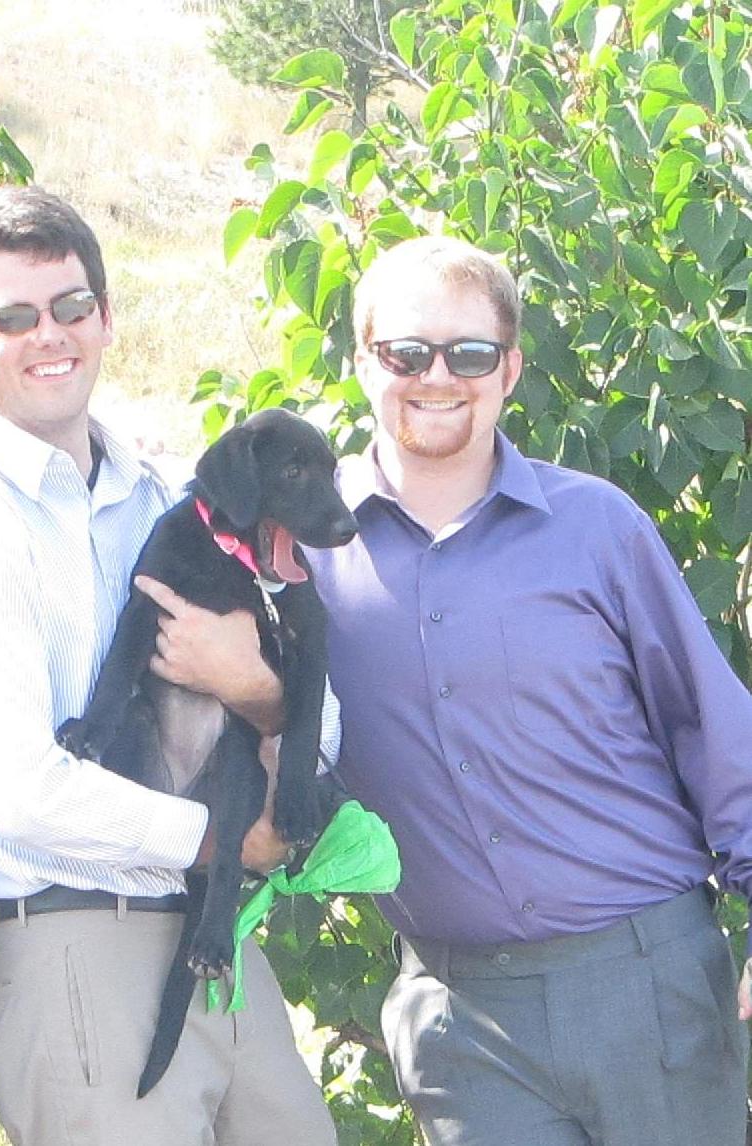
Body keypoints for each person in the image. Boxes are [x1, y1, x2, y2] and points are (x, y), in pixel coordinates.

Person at [0, 185, 337, 1146]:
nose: (50, 334)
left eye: (71, 305)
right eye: (13, 317)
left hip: (218, 936)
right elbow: (23, 793)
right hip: (81, 942)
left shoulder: (178, 493)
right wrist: (227, 842)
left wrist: (255, 690)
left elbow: (323, 718)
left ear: (105, 316)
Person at [304, 234, 752, 1145]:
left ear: (508, 369)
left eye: (469, 353)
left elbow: (712, 727)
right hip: (461, 1027)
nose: (438, 376)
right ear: (363, 362)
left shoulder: (598, 528)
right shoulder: (298, 552)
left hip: (649, 988)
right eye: (406, 352)